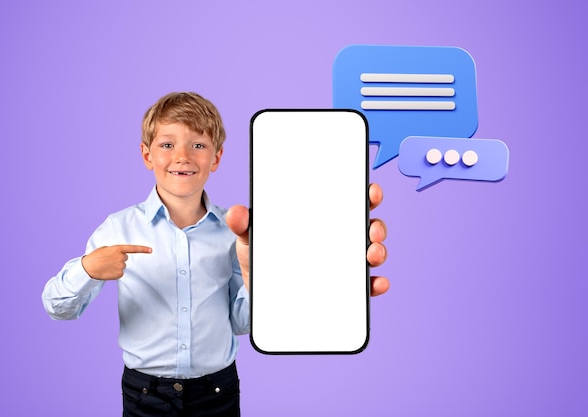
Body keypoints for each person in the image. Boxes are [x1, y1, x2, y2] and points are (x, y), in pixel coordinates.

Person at [42, 92, 389, 417]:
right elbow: (58, 308)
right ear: (147, 155)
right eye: (167, 144)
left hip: (218, 392)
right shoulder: (117, 228)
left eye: (198, 145)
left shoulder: (236, 230)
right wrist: (87, 269)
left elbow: (241, 323)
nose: (183, 156)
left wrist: (258, 284)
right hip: (144, 394)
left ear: (216, 157)